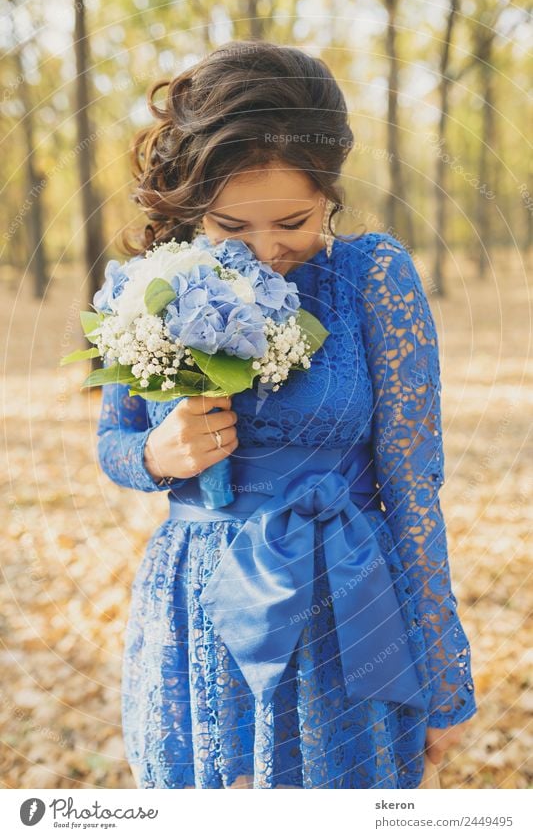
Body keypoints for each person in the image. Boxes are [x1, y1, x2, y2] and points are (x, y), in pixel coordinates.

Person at [96, 40, 477, 789]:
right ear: (194, 204)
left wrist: (441, 678)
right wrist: (153, 455)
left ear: (329, 192)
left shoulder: (373, 279)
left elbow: (412, 488)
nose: (268, 250)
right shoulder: (152, 289)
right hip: (199, 609)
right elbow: (113, 440)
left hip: (345, 604)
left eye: (294, 221)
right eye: (232, 227)